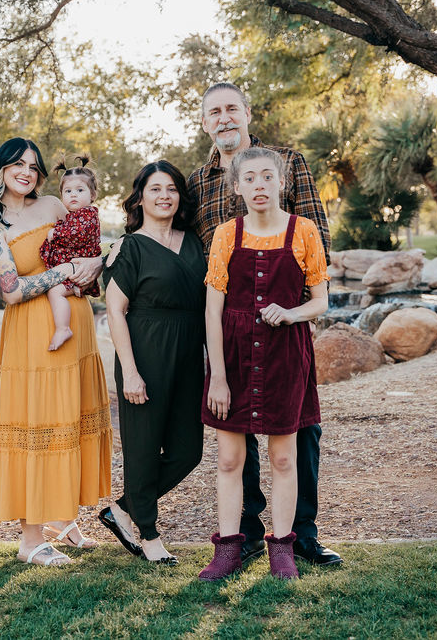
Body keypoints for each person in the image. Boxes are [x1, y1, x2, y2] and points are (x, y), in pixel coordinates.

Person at [187, 81, 342, 568]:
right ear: (205, 121)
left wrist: (297, 312)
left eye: (232, 108)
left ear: (247, 112)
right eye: (215, 112)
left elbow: (316, 241)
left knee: (294, 446)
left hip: (283, 333)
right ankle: (244, 539)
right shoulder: (197, 182)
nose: (225, 117)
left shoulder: (288, 162)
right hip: (233, 336)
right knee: (237, 453)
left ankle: (297, 539)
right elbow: (194, 254)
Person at [0, 137, 112, 567]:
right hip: (34, 334)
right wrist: (64, 271)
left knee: (71, 420)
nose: (27, 172)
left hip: (76, 322)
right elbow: (11, 291)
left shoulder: (57, 204)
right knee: (39, 423)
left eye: (34, 166)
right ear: (0, 168)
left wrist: (91, 269)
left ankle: (62, 518)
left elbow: (88, 255)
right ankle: (30, 539)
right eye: (17, 163)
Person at [100, 160, 207, 566]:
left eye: (172, 189)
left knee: (187, 452)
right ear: (140, 197)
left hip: (188, 358)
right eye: (156, 189)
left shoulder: (195, 243)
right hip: (144, 354)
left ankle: (123, 508)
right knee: (142, 450)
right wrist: (130, 371)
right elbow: (114, 311)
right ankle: (149, 534)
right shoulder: (129, 247)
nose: (164, 196)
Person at [39, 154, 102, 351]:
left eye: (79, 190)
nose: (73, 194)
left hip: (78, 270)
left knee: (55, 292)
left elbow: (75, 234)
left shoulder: (88, 215)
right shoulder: (73, 216)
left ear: (92, 195)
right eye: (68, 191)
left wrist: (54, 233)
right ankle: (76, 289)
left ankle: (63, 328)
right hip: (73, 269)